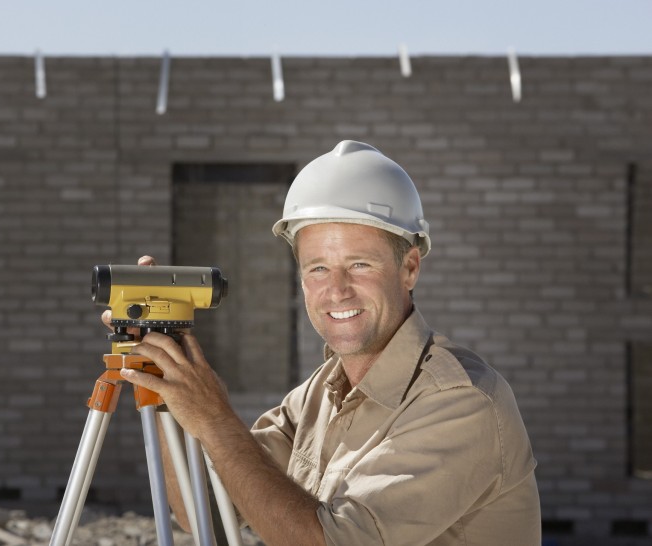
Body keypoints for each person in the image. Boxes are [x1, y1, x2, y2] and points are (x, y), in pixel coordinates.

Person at [108, 141, 541, 545]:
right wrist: (167, 386)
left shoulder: (462, 401)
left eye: (359, 264)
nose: (336, 290)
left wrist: (214, 418)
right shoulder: (321, 393)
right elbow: (203, 509)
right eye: (317, 268)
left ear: (409, 268)